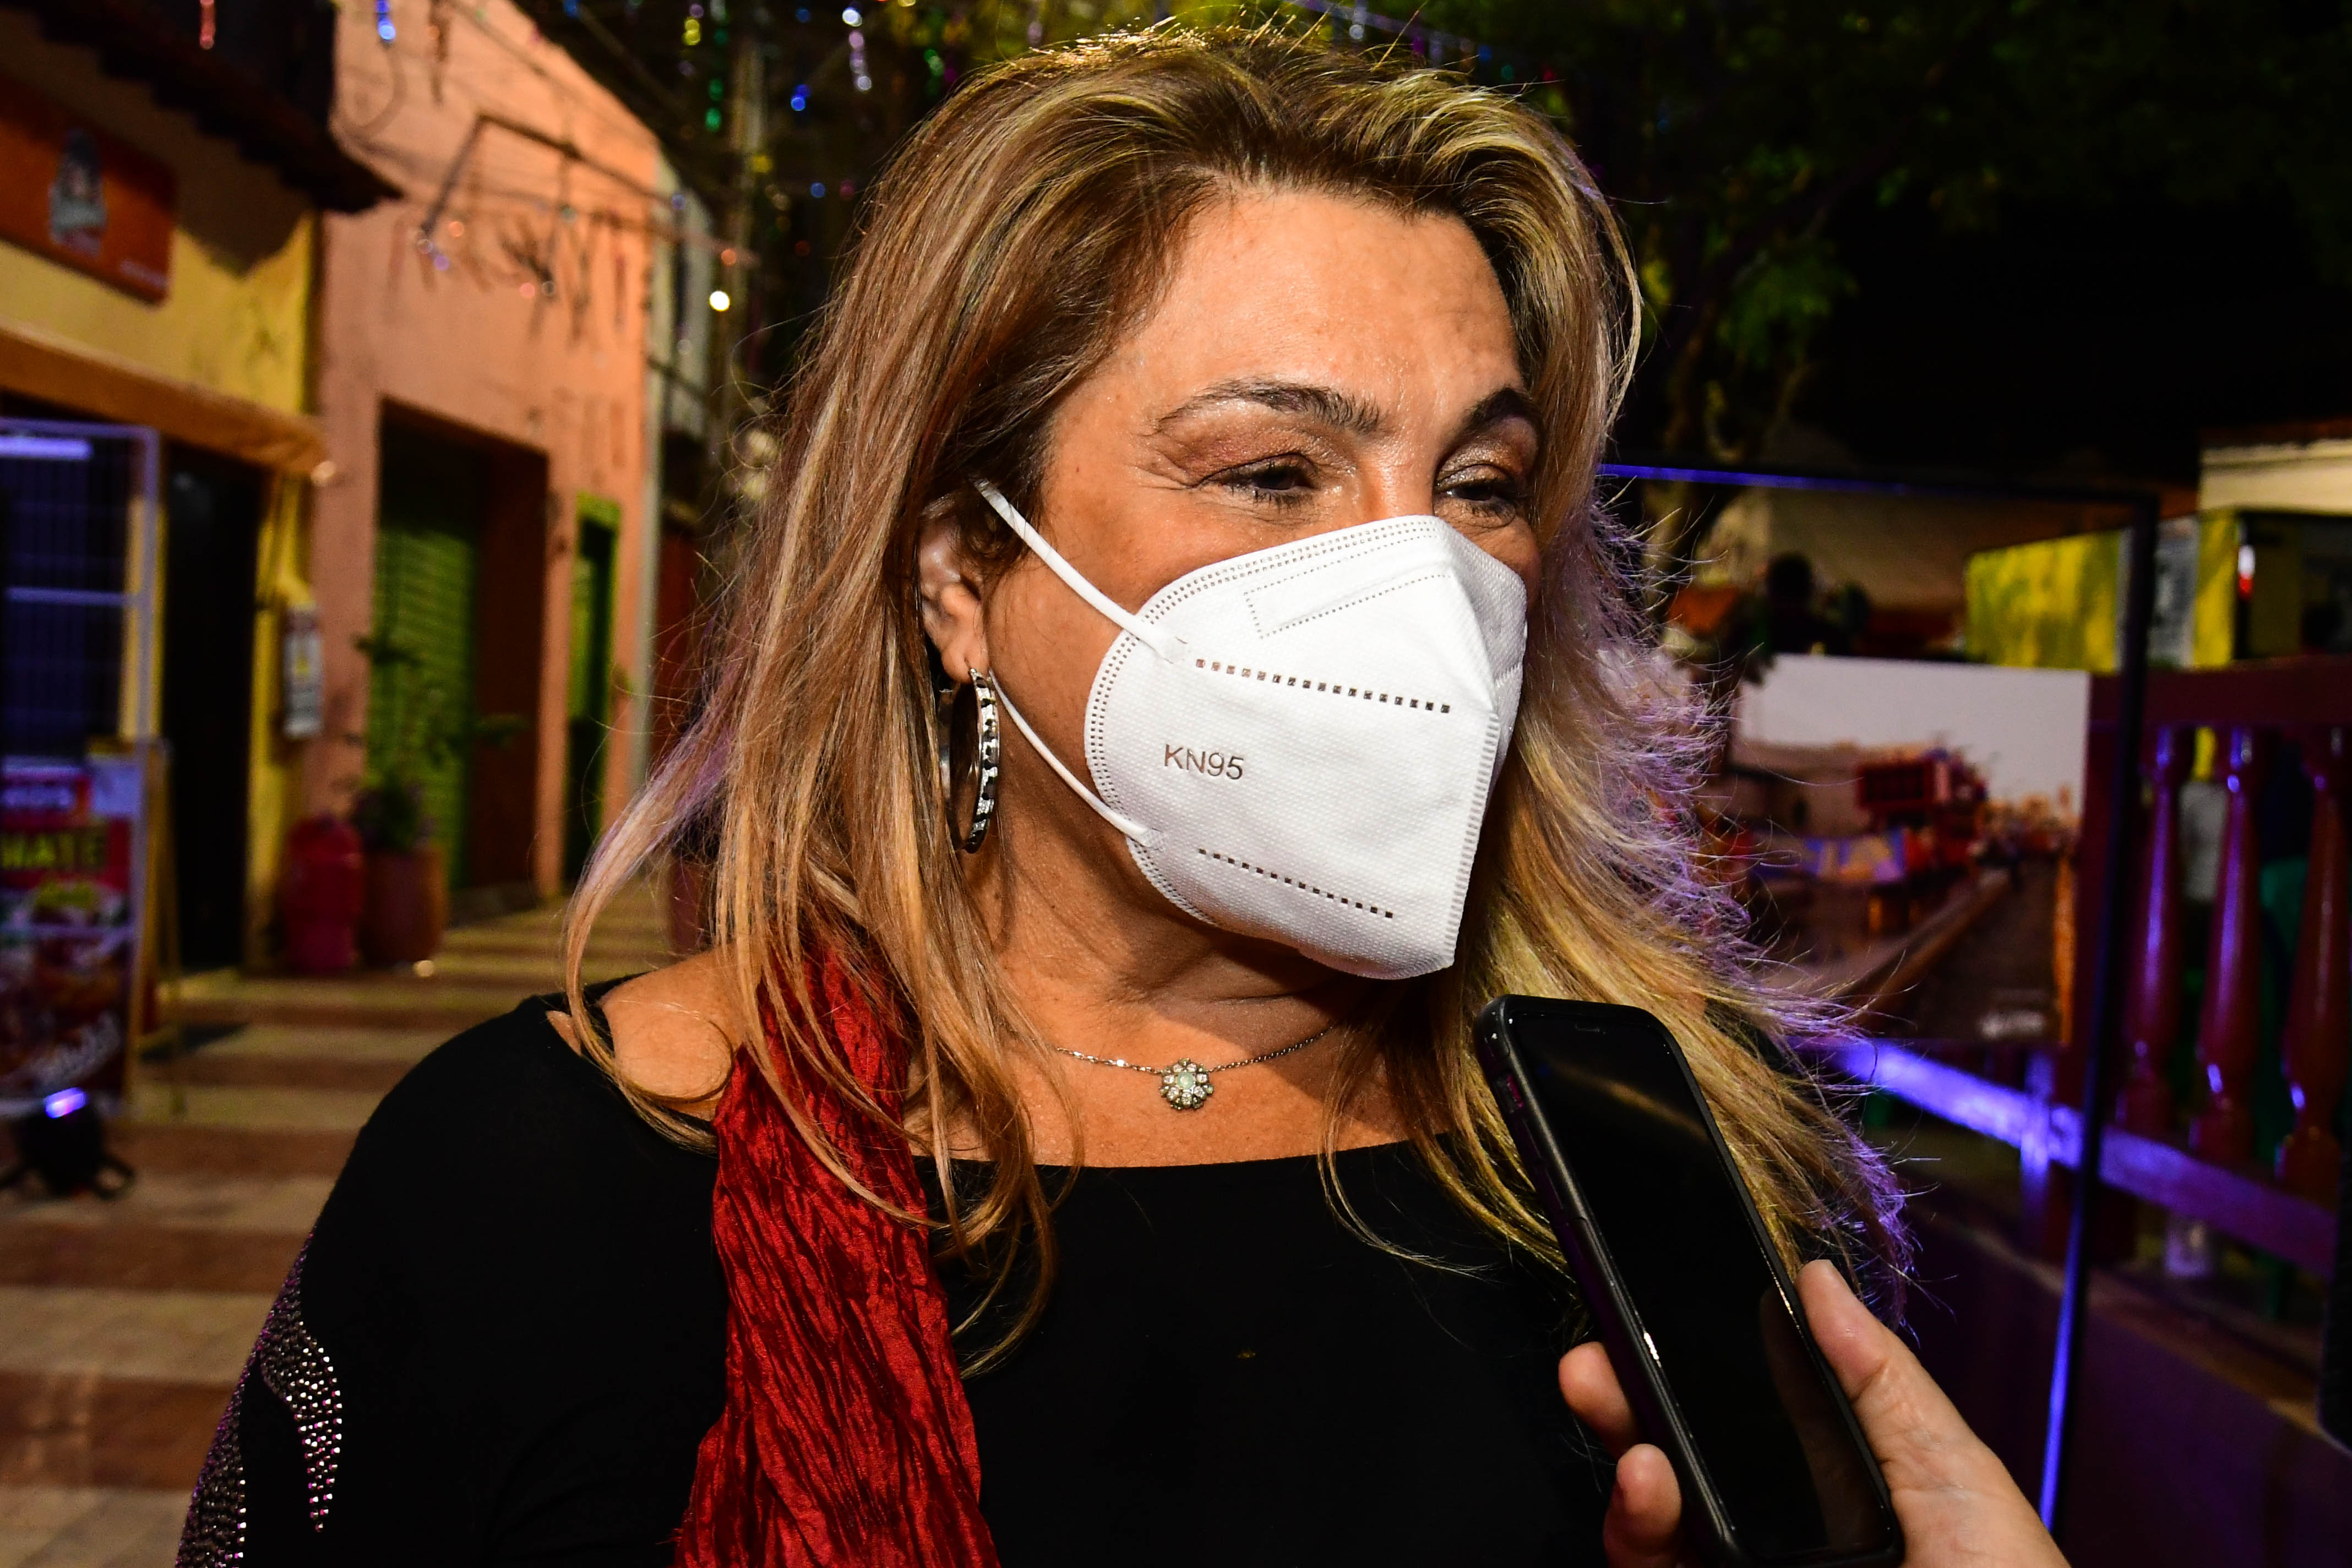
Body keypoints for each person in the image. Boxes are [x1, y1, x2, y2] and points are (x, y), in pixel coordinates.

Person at [181, 28, 2066, 1568]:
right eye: (1271, 473)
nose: (1422, 582)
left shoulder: (1680, 1160)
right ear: (958, 575)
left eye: (1481, 485)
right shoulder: (540, 1180)